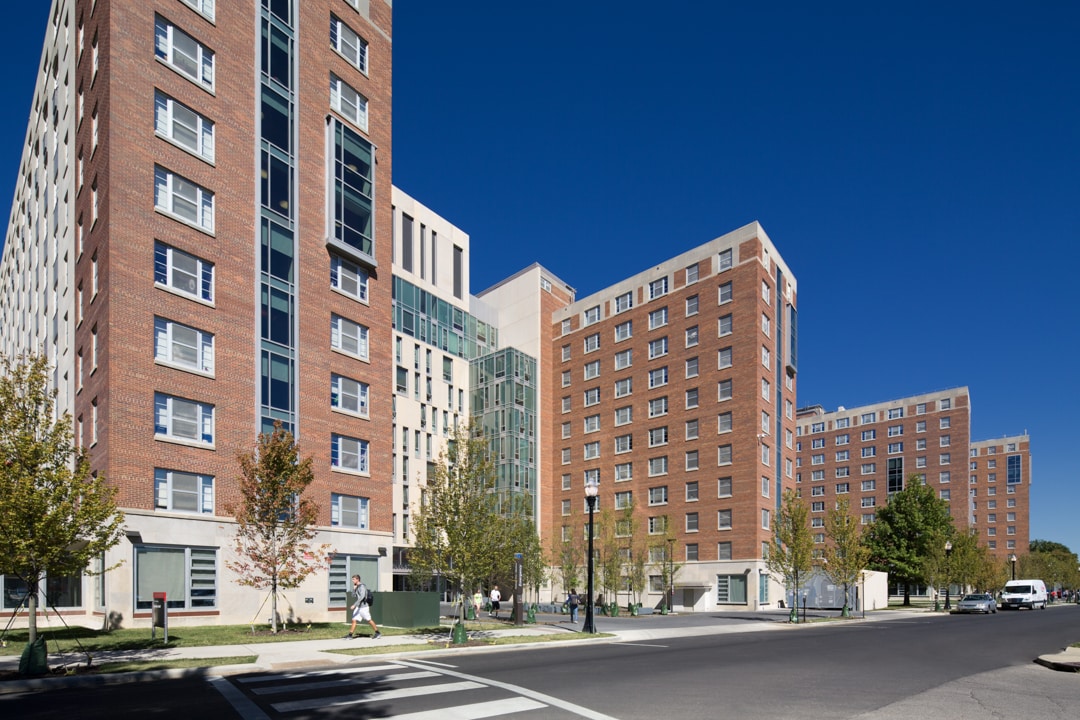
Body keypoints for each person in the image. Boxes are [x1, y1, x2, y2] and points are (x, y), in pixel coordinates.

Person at [344, 574, 381, 639]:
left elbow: (362, 597)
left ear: (357, 579)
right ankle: (350, 635)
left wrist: (354, 605)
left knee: (369, 620)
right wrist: (354, 589)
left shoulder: (362, 586)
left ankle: (377, 633)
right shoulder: (357, 586)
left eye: (353, 579)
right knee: (354, 620)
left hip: (364, 607)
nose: (352, 581)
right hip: (358, 607)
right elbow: (353, 595)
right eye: (352, 579)